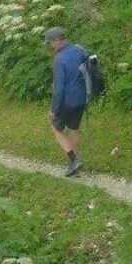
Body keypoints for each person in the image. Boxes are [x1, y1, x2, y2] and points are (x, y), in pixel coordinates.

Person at [44, 27, 88, 177]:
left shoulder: (60, 58)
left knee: (56, 128)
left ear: (57, 40)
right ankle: (75, 166)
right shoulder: (80, 50)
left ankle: (74, 160)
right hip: (82, 98)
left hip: (68, 100)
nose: (50, 46)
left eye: (50, 42)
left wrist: (53, 109)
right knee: (73, 129)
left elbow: (59, 88)